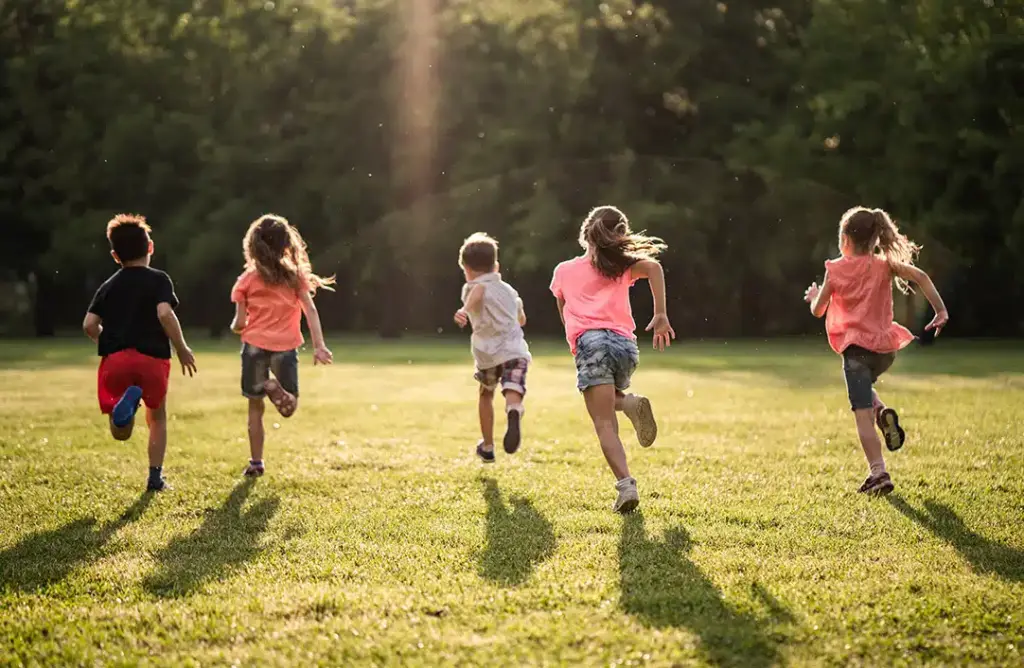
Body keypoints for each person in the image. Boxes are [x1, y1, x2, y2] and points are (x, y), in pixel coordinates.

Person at [805, 206, 948, 495]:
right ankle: (882, 412)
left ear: (845, 240)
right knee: (865, 390)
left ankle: (878, 472)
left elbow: (818, 310)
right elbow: (920, 276)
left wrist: (813, 296)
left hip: (855, 352)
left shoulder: (835, 269)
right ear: (874, 240)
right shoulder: (884, 265)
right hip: (885, 350)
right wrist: (941, 310)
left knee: (861, 414)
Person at [550, 206, 674, 513]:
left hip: (591, 344)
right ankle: (629, 403)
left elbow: (562, 310)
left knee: (604, 421)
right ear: (619, 235)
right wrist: (660, 314)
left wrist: (576, 340)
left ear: (585, 234)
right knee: (607, 402)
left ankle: (626, 486)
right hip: (625, 347)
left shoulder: (564, 270)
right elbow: (655, 269)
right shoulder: (621, 266)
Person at [83, 214, 197, 492]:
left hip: (117, 359)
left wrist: (107, 341)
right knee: (157, 417)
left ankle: (126, 405)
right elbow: (165, 313)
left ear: (114, 255)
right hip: (153, 358)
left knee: (120, 432)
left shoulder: (108, 286)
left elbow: (89, 324)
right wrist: (182, 348)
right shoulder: (159, 280)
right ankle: (155, 478)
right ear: (150, 247)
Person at [230, 214, 334, 477]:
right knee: (290, 406)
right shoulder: (294, 277)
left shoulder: (246, 281)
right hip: (285, 347)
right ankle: (277, 388)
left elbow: (240, 322)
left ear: (252, 245)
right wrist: (319, 345)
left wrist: (236, 327)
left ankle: (256, 462)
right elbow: (310, 310)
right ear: (287, 245)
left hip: (253, 346)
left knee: (255, 406)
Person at [453, 233, 531, 463]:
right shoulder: (509, 291)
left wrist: (465, 310)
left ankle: (487, 446)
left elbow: (479, 291)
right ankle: (514, 409)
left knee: (486, 394)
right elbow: (522, 319)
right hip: (515, 351)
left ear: (466, 269)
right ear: (496, 266)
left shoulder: (472, 287)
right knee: (513, 386)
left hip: (488, 355)